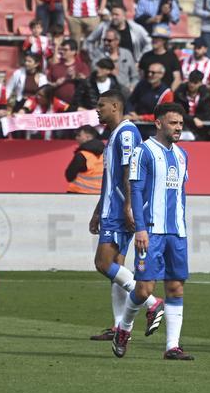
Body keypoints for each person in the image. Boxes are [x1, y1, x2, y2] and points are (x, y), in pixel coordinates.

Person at [114, 102, 192, 360]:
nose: (178, 128)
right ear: (158, 123)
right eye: (173, 123)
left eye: (180, 123)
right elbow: (136, 190)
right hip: (152, 232)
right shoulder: (143, 151)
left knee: (176, 288)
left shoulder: (182, 155)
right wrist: (140, 229)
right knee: (144, 289)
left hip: (176, 232)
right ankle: (123, 328)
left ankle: (172, 346)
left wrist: (181, 226)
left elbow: (180, 193)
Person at [87, 90, 160, 343]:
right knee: (116, 268)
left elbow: (131, 171)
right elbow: (110, 179)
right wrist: (98, 211)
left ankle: (151, 303)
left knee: (103, 264)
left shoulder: (126, 133)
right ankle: (119, 326)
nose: (98, 110)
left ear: (115, 106)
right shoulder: (114, 135)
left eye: (101, 105)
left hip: (119, 210)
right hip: (112, 208)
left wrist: (129, 206)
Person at [66, 126, 105, 195]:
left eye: (79, 135)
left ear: (88, 137)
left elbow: (69, 175)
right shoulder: (105, 153)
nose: (76, 138)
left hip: (78, 192)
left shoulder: (82, 155)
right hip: (99, 194)